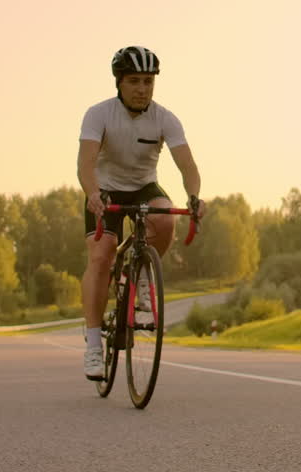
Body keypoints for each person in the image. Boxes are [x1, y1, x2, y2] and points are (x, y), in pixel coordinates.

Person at [77, 45, 205, 380]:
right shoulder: (99, 114)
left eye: (148, 81)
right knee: (101, 256)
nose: (142, 88)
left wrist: (193, 197)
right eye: (134, 81)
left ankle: (142, 274)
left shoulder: (165, 118)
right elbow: (85, 163)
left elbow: (187, 165)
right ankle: (92, 345)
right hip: (104, 190)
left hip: (144, 185)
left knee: (164, 215)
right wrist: (92, 193)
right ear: (119, 82)